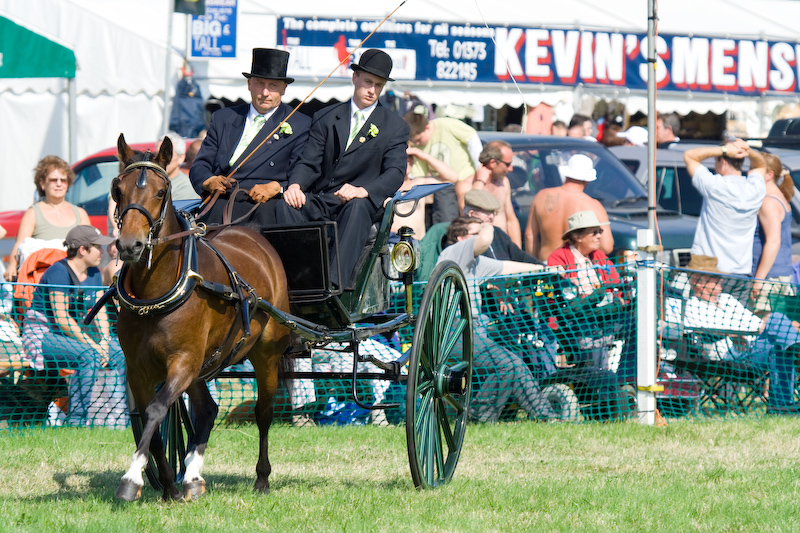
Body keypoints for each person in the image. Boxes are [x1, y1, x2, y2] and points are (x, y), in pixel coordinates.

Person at [277, 49, 409, 288]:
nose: (372, 90)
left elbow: (395, 173)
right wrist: (295, 185)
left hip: (362, 204)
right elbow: (309, 162)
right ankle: (296, 281)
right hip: (323, 199)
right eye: (368, 82)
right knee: (285, 204)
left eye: (378, 85)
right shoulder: (325, 117)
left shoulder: (395, 126)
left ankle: (334, 286)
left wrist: (364, 190)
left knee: (356, 208)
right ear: (354, 78)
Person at [436, 217, 559, 422]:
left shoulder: (474, 262)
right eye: (473, 233)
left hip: (472, 329)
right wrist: (487, 223)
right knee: (508, 364)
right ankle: (478, 416)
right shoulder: (455, 252)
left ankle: (547, 417)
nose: (481, 238)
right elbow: (484, 239)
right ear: (461, 238)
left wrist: (544, 268)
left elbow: (507, 267)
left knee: (515, 365)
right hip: (453, 330)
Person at [190, 48, 311, 227]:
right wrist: (208, 181)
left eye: (273, 86)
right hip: (221, 201)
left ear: (284, 89)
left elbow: (301, 172)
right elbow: (200, 165)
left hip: (265, 206)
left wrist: (276, 187)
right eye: (259, 84)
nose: (265, 92)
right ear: (249, 84)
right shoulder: (223, 117)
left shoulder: (301, 124)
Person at [20, 225, 127, 426]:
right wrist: (94, 346)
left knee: (121, 355)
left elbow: (99, 310)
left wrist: (104, 341)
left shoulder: (94, 272)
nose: (103, 252)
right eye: (98, 247)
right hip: (43, 335)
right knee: (89, 355)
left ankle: (121, 421)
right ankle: (77, 422)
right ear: (82, 250)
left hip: (77, 335)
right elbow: (62, 319)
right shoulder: (58, 272)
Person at [665, 255, 800, 414]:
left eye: (719, 277)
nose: (721, 281)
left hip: (752, 350)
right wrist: (732, 334)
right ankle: (796, 355)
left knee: (779, 337)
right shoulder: (691, 306)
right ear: (697, 281)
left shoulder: (727, 299)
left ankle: (780, 406)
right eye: (715, 278)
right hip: (726, 357)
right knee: (779, 328)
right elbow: (700, 333)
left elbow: (758, 325)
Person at [547, 211, 628, 371]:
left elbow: (616, 282)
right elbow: (561, 299)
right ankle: (598, 382)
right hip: (575, 318)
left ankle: (627, 377)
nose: (599, 236)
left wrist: (618, 299)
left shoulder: (599, 255)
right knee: (592, 331)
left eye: (600, 231)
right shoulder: (558, 258)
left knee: (637, 326)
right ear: (577, 236)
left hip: (606, 314)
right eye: (594, 232)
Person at [683, 138, 766, 275]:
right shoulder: (755, 189)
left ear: (723, 161)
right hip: (741, 271)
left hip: (710, 270)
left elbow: (689, 156)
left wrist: (724, 150)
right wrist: (747, 150)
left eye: (716, 160)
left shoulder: (714, 185)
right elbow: (761, 165)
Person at [4, 156, 91, 282]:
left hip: (74, 280)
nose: (59, 184)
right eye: (53, 180)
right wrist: (12, 266)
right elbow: (19, 246)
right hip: (42, 280)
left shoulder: (81, 213)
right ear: (42, 183)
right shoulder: (33, 213)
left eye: (63, 180)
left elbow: (90, 247)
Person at [525, 154, 613, 261]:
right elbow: (607, 247)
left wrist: (535, 267)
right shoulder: (593, 205)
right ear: (588, 179)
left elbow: (530, 236)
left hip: (547, 265)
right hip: (575, 268)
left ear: (567, 174)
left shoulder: (542, 196)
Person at [404, 105, 482, 213]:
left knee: (466, 205)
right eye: (414, 142)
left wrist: (480, 170)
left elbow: (472, 138)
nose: (417, 143)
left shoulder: (446, 124)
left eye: (418, 140)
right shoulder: (417, 147)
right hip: (443, 186)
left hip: (466, 177)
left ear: (427, 128)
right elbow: (418, 174)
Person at [751, 153, 795, 309]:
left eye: (754, 169)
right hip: (777, 275)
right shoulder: (779, 198)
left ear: (769, 175)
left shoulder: (768, 202)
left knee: (764, 326)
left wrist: (759, 279)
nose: (749, 173)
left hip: (770, 277)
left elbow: (774, 241)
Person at [391, 145, 459, 239]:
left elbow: (452, 178)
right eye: (403, 156)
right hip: (390, 241)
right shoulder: (384, 185)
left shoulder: (419, 184)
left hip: (415, 243)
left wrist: (422, 154)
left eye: (410, 156)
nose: (407, 160)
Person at [471, 140, 522, 247]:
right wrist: (480, 181)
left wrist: (517, 252)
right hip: (481, 249)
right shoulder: (468, 184)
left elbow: (511, 220)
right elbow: (467, 209)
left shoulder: (504, 182)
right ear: (493, 163)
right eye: (507, 164)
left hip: (503, 247)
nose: (511, 169)